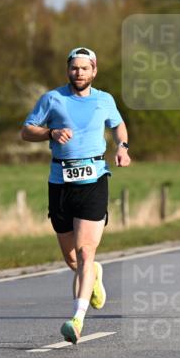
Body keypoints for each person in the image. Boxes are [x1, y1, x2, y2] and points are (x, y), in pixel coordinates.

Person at [21, 47, 131, 343]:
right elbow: (26, 131)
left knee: (85, 251)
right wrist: (50, 133)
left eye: (84, 68)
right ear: (68, 70)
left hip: (94, 178)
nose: (79, 73)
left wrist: (122, 147)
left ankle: (77, 320)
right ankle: (94, 273)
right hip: (60, 181)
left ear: (94, 71)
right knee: (72, 259)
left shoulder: (104, 100)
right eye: (74, 68)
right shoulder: (52, 99)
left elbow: (118, 125)